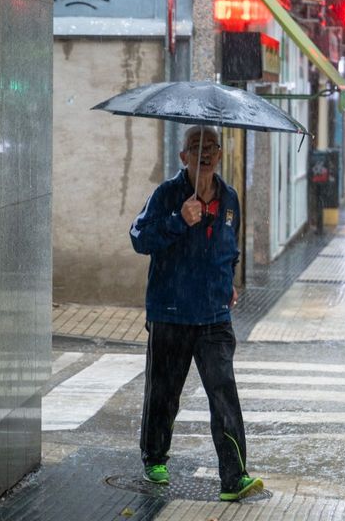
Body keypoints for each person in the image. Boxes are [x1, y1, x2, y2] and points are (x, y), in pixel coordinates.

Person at [130, 125, 264, 501]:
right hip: (170, 313)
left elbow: (229, 248)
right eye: (195, 147)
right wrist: (178, 221)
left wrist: (228, 280)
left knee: (224, 395)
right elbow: (139, 238)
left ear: (219, 154)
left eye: (210, 147)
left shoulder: (230, 199)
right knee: (163, 392)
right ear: (183, 156)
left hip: (214, 317)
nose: (204, 153)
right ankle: (155, 457)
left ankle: (234, 477)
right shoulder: (167, 195)